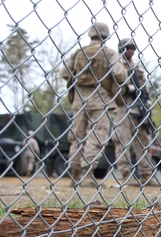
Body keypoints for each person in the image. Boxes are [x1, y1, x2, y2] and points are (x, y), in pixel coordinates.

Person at [60, 23, 121, 188]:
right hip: (101, 99)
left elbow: (65, 73)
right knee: (97, 136)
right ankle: (87, 173)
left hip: (79, 99)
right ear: (106, 35)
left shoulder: (78, 53)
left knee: (77, 136)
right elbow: (119, 73)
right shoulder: (109, 53)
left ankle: (75, 173)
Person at [111, 37, 154, 186]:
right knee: (122, 141)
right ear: (122, 48)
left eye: (133, 48)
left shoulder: (136, 67)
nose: (132, 51)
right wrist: (131, 88)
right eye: (128, 47)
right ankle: (126, 175)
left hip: (138, 107)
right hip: (122, 106)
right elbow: (116, 84)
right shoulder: (117, 64)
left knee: (144, 141)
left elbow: (143, 86)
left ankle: (146, 174)